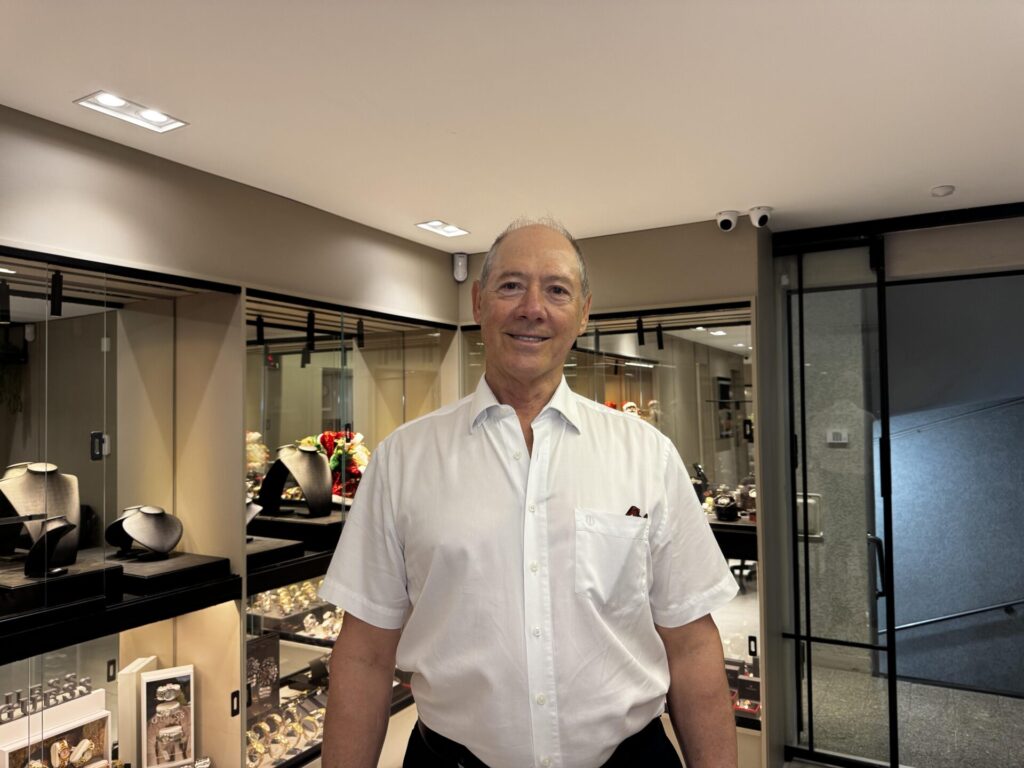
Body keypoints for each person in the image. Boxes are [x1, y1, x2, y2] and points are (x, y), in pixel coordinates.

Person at [320, 219, 739, 768]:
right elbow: (364, 656)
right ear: (478, 301)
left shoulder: (648, 455)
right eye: (511, 285)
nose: (532, 308)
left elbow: (692, 646)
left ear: (584, 312)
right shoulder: (404, 459)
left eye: (557, 289)